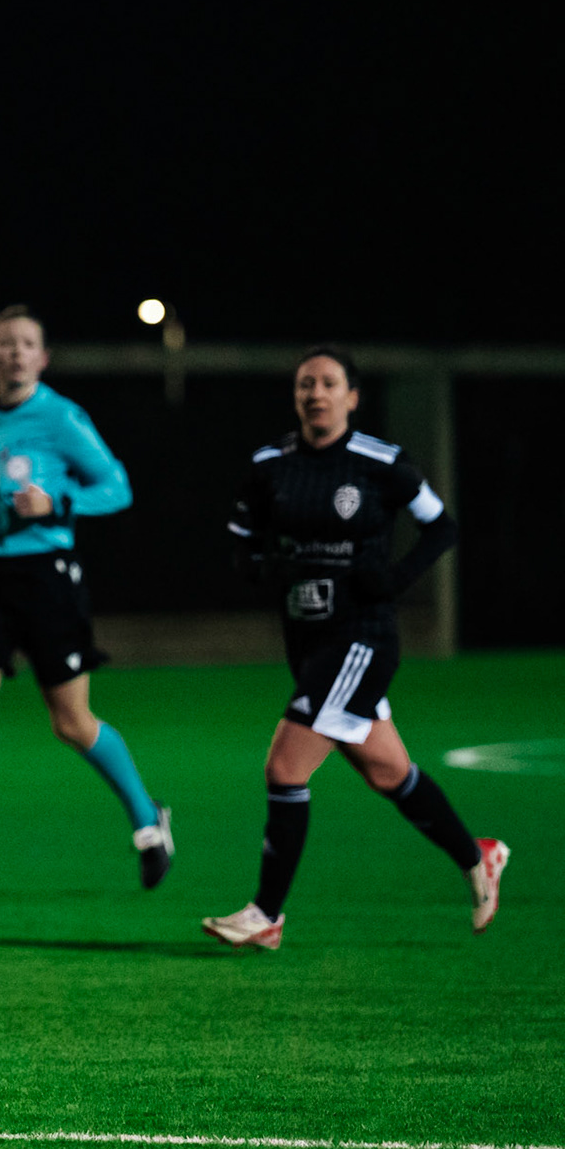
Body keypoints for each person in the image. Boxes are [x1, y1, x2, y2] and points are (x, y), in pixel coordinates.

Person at [202, 346, 507, 949]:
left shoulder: (381, 462)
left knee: (285, 767)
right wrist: (258, 566)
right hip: (307, 639)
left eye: (328, 383)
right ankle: (478, 855)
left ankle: (266, 915)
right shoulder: (270, 464)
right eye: (305, 384)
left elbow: (441, 526)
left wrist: (395, 579)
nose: (315, 393)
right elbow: (242, 536)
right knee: (389, 772)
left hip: (362, 639)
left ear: (352, 397)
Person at [0, 306, 171, 898]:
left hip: (46, 576)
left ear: (42, 358)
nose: (16, 352)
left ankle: (148, 816)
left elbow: (116, 487)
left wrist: (58, 503)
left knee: (71, 722)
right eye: (5, 343)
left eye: (26, 344)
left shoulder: (61, 416)